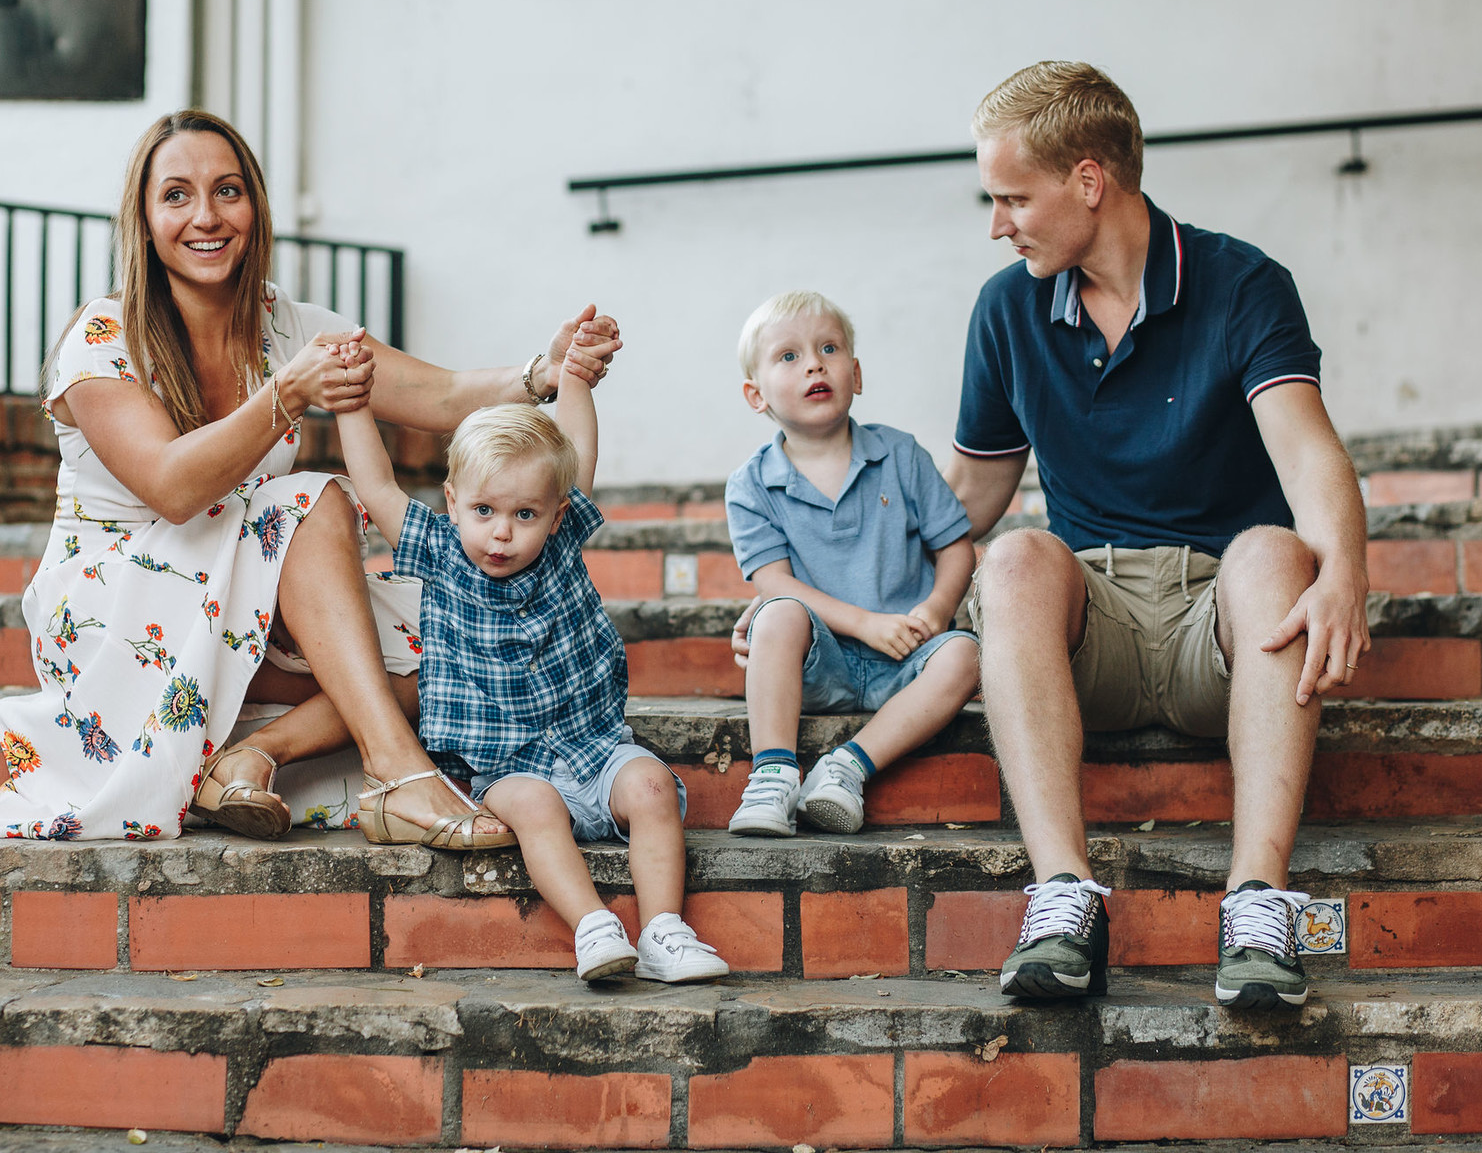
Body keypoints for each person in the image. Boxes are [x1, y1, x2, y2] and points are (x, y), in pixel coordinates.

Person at [0, 109, 617, 846]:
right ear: (144, 216)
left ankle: (250, 757)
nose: (206, 216)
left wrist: (543, 373)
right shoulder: (103, 337)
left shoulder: (282, 324)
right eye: (176, 195)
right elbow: (172, 485)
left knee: (455, 635)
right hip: (116, 609)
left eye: (227, 190)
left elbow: (441, 395)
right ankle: (399, 774)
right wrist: (285, 394)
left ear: (254, 206)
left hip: (248, 603)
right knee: (308, 498)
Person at [945, 62, 1369, 1009]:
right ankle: (1062, 903)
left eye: (1013, 197)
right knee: (1013, 554)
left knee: (1274, 551)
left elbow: (1307, 454)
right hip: (1089, 630)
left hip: (1220, 628)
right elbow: (969, 498)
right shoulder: (1008, 308)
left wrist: (1343, 572)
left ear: (1088, 181)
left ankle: (1257, 907)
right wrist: (814, 596)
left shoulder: (1242, 283)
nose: (997, 223)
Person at [332, 326, 730, 984]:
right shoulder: (439, 553)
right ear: (453, 503)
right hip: (506, 765)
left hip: (595, 746)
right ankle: (594, 926)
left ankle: (664, 930)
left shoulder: (563, 544)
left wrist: (574, 374)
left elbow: (575, 451)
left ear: (555, 513)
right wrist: (351, 403)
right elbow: (376, 487)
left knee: (653, 786)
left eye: (524, 514)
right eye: (484, 510)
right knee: (536, 810)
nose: (501, 532)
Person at [724, 291, 981, 838]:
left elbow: (957, 547)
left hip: (909, 656)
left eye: (829, 348)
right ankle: (772, 774)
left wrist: (937, 609)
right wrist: (865, 624)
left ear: (856, 374)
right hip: (824, 662)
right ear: (756, 394)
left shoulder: (901, 455)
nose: (814, 363)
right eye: (788, 356)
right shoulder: (751, 485)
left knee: (966, 655)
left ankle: (846, 768)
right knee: (777, 612)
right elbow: (773, 582)